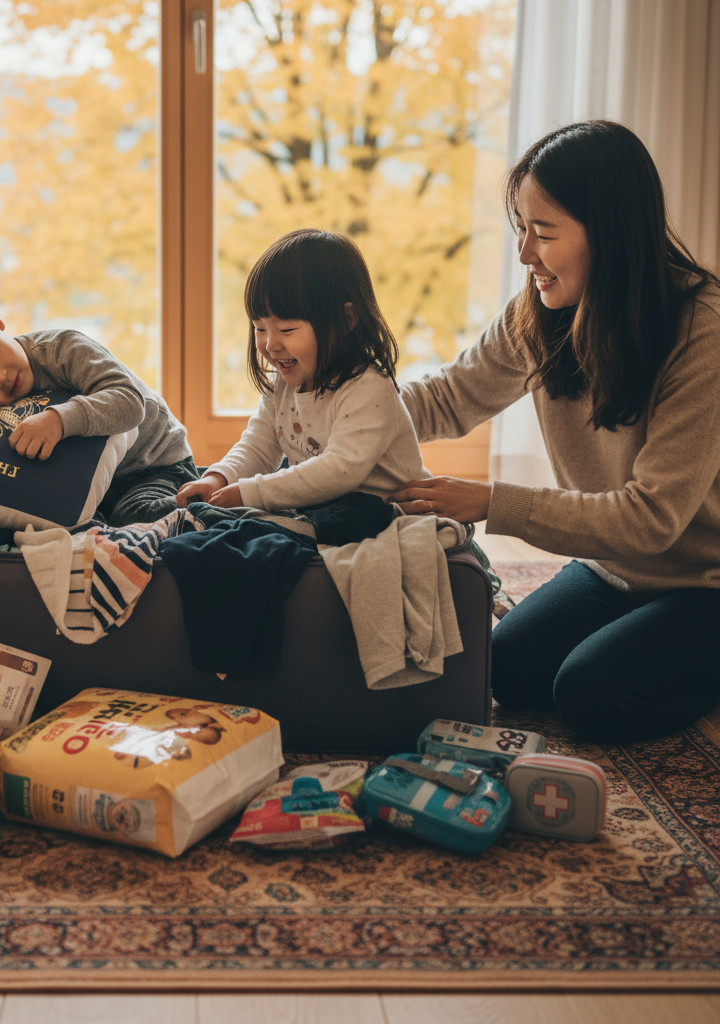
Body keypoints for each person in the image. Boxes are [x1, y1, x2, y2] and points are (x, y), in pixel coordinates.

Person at [390, 119, 720, 743]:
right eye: (520, 228)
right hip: (614, 568)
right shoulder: (542, 311)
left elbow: (652, 519)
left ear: (611, 234)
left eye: (543, 233)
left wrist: (490, 501)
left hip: (704, 581)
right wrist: (342, 418)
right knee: (509, 671)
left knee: (593, 696)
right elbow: (448, 396)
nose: (524, 255)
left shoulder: (701, 332)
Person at [0, 296, 198, 526]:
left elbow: (129, 402)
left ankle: (212, 505)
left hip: (155, 466)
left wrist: (59, 419)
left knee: (132, 516)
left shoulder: (63, 349)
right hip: (94, 482)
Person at [177, 229, 429, 524]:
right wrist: (218, 479)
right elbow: (258, 446)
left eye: (286, 329)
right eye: (260, 329)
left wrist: (249, 493)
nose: (270, 344)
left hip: (390, 514)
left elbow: (338, 471)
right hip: (325, 511)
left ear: (346, 320)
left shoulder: (368, 387)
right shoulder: (282, 384)